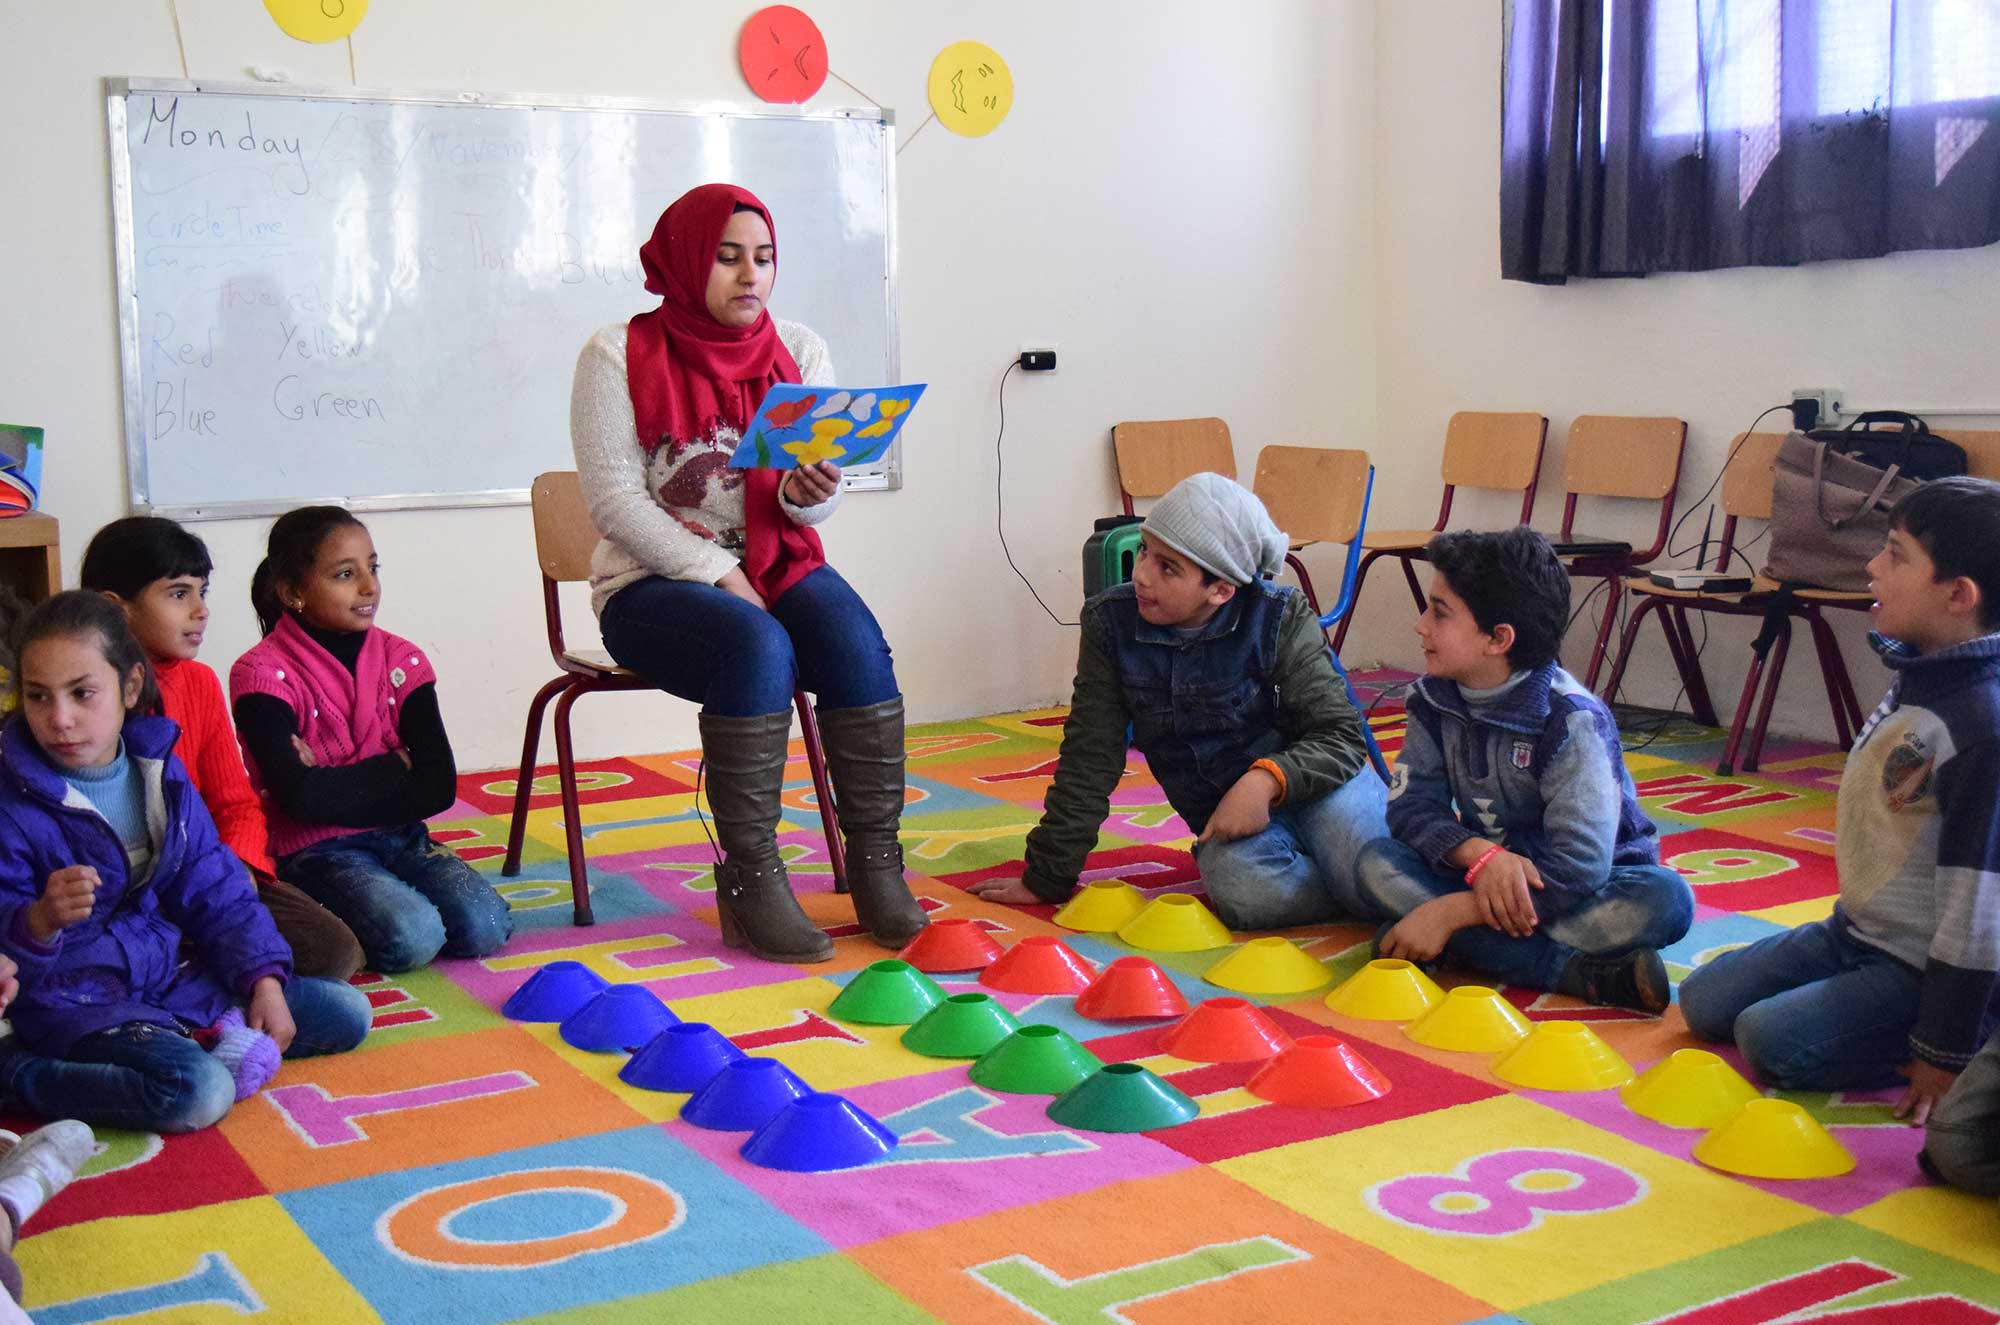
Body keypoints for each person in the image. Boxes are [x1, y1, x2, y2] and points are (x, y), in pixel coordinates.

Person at [570, 182, 925, 963]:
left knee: (856, 644)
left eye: (763, 258)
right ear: (686, 260)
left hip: (775, 559)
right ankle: (752, 882)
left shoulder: (800, 348)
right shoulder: (614, 354)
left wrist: (809, 494)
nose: (749, 276)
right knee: (756, 645)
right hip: (650, 585)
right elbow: (614, 504)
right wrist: (716, 573)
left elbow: (807, 504)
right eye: (727, 257)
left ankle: (875, 864)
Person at [1682, 477, 2000, 1123]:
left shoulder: (1980, 726)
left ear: (1958, 594)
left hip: (1927, 966)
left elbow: (1979, 913)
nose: (1871, 566)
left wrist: (1944, 1050)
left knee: (1773, 1040)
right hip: (1856, 931)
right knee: (1705, 1000)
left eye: (1896, 554)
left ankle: (1980, 1037)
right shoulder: (1921, 671)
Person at [0, 592, 370, 1133]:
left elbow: (215, 887)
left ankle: (182, 1035)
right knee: (198, 1092)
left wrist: (261, 979)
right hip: (70, 1000)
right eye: (38, 697)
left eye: (82, 694)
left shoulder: (157, 771)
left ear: (129, 687)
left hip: (168, 979)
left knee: (346, 1013)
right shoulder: (12, 797)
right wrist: (39, 920)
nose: (60, 718)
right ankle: (19, 1075)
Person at [968, 473, 1389, 927]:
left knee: (1377, 868)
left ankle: (1374, 885)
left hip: (1321, 790)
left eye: (1168, 568)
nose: (1142, 574)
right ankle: (1359, 890)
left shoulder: (1279, 616)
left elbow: (1340, 736)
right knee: (1249, 897)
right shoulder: (1111, 624)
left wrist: (1265, 780)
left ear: (1221, 589)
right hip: (1230, 824)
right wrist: (1047, 876)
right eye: (1145, 551)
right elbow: (1091, 754)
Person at [1355, 528, 1693, 1012]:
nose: (1420, 625)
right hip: (1483, 873)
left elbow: (1580, 866)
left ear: (1498, 639)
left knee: (1665, 899)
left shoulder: (1571, 720)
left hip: (1584, 889)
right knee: (1374, 864)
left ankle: (1451, 940)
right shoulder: (1431, 700)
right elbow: (1411, 808)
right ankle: (1576, 973)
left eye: (1439, 611)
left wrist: (1452, 913)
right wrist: (1481, 857)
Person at [230, 507, 513, 973]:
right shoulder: (261, 673)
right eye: (345, 574)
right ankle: (317, 910)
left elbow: (438, 788)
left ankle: (379, 901)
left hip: (401, 836)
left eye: (372, 568)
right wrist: (393, 767)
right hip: (316, 851)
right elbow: (297, 801)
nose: (369, 586)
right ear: (292, 592)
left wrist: (325, 782)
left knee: (485, 926)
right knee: (414, 937)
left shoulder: (404, 660)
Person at [80, 516, 364, 980]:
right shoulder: (87, 695)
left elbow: (234, 802)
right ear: (116, 609)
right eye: (178, 594)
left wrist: (240, 866)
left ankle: (195, 968)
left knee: (333, 952)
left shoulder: (199, 682)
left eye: (202, 592)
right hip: (126, 884)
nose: (200, 610)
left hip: (206, 869)